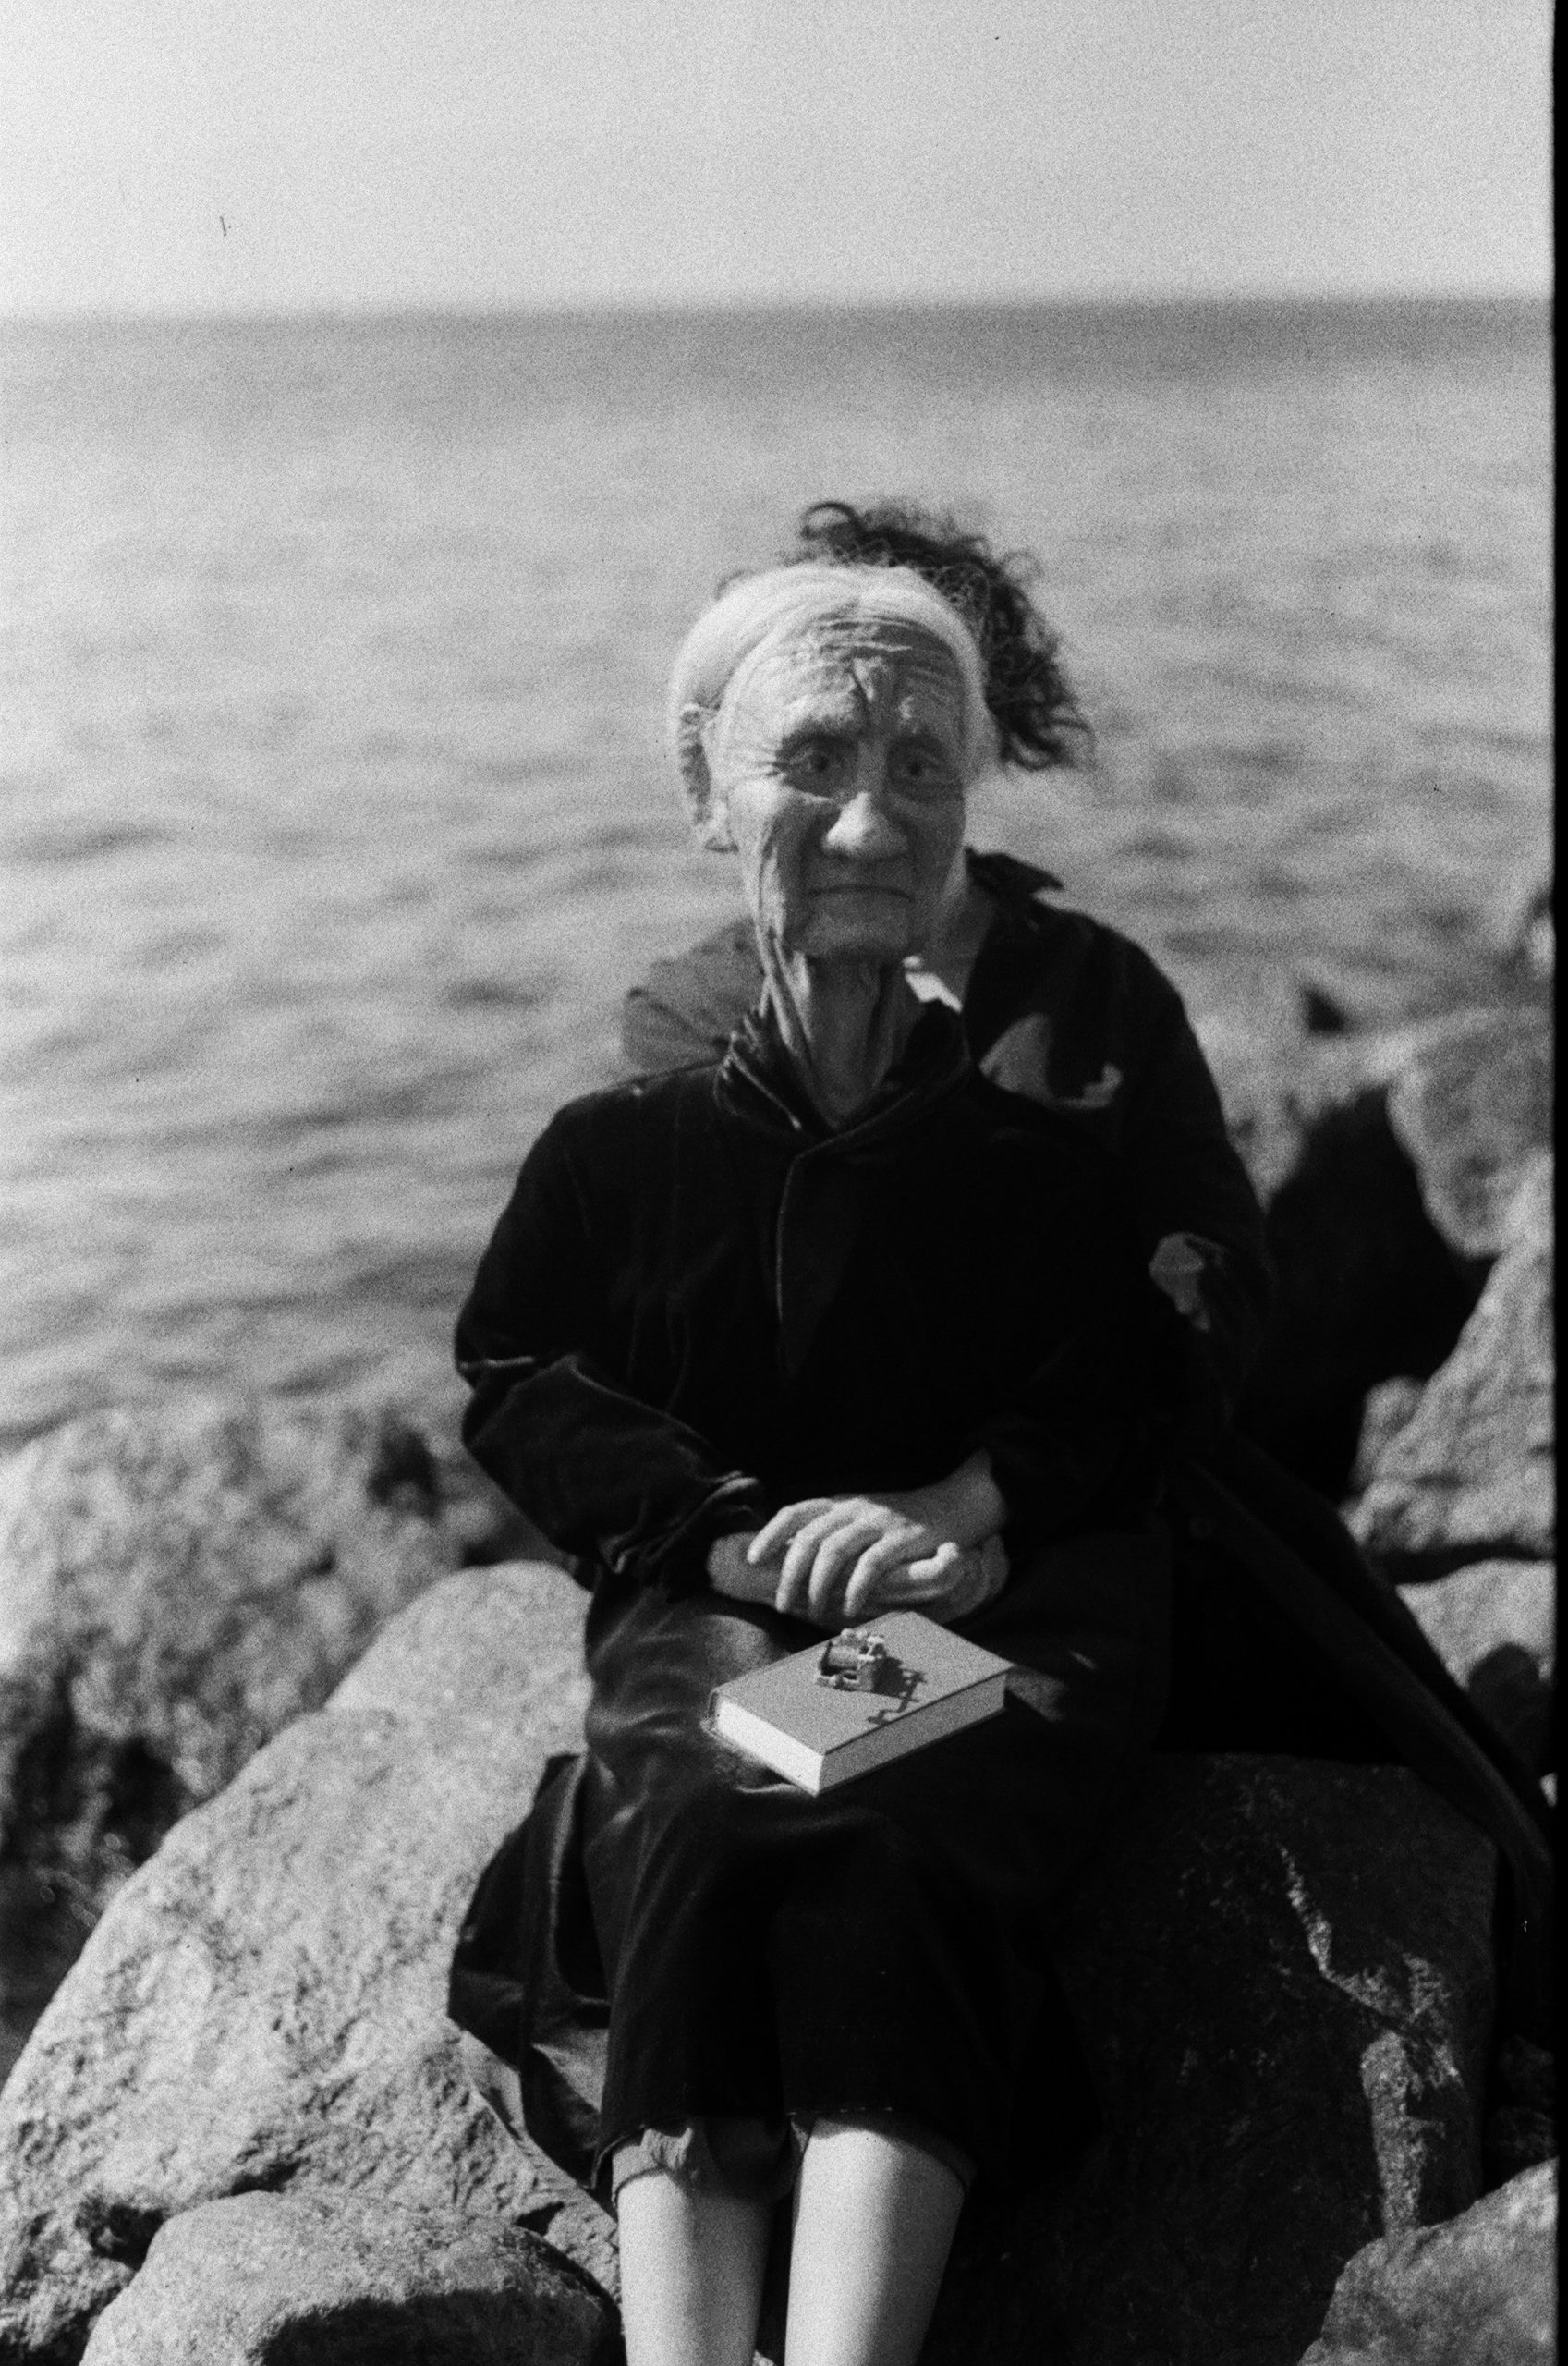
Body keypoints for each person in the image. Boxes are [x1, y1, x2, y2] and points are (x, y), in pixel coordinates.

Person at [450, 521, 1550, 2366]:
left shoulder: (1087, 993)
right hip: (788, 1543)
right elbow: (582, 1348)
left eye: (918, 757)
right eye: (813, 751)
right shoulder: (678, 1046)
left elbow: (1194, 1285)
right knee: (712, 1786)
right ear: (718, 783)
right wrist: (731, 1526)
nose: (869, 815)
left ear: (972, 760)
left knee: (899, 1803)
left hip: (1067, 1512)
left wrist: (990, 1501)